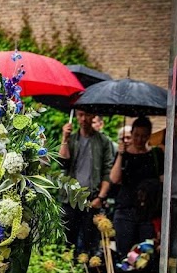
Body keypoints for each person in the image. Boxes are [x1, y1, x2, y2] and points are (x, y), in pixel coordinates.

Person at [59, 108, 115, 257]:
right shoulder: (71, 139)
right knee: (67, 243)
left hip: (91, 198)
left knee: (90, 244)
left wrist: (100, 198)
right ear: (76, 116)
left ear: (93, 116)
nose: (83, 119)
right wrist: (64, 138)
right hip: (70, 198)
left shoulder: (103, 142)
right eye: (80, 115)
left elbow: (107, 171)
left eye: (87, 115)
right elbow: (62, 163)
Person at [110, 115, 164, 259]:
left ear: (149, 136)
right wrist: (121, 154)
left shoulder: (156, 154)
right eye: (136, 135)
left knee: (145, 254)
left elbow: (162, 180)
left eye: (144, 136)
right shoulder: (124, 154)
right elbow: (114, 179)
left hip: (147, 213)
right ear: (131, 133)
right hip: (125, 209)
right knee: (125, 254)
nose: (139, 140)